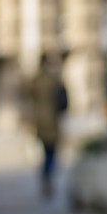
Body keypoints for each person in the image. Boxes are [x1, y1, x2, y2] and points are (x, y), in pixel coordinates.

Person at [30, 51, 68, 198]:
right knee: (51, 152)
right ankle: (48, 174)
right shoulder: (54, 79)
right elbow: (63, 99)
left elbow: (30, 96)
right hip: (52, 120)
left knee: (45, 151)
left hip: (39, 120)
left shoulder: (35, 80)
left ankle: (45, 174)